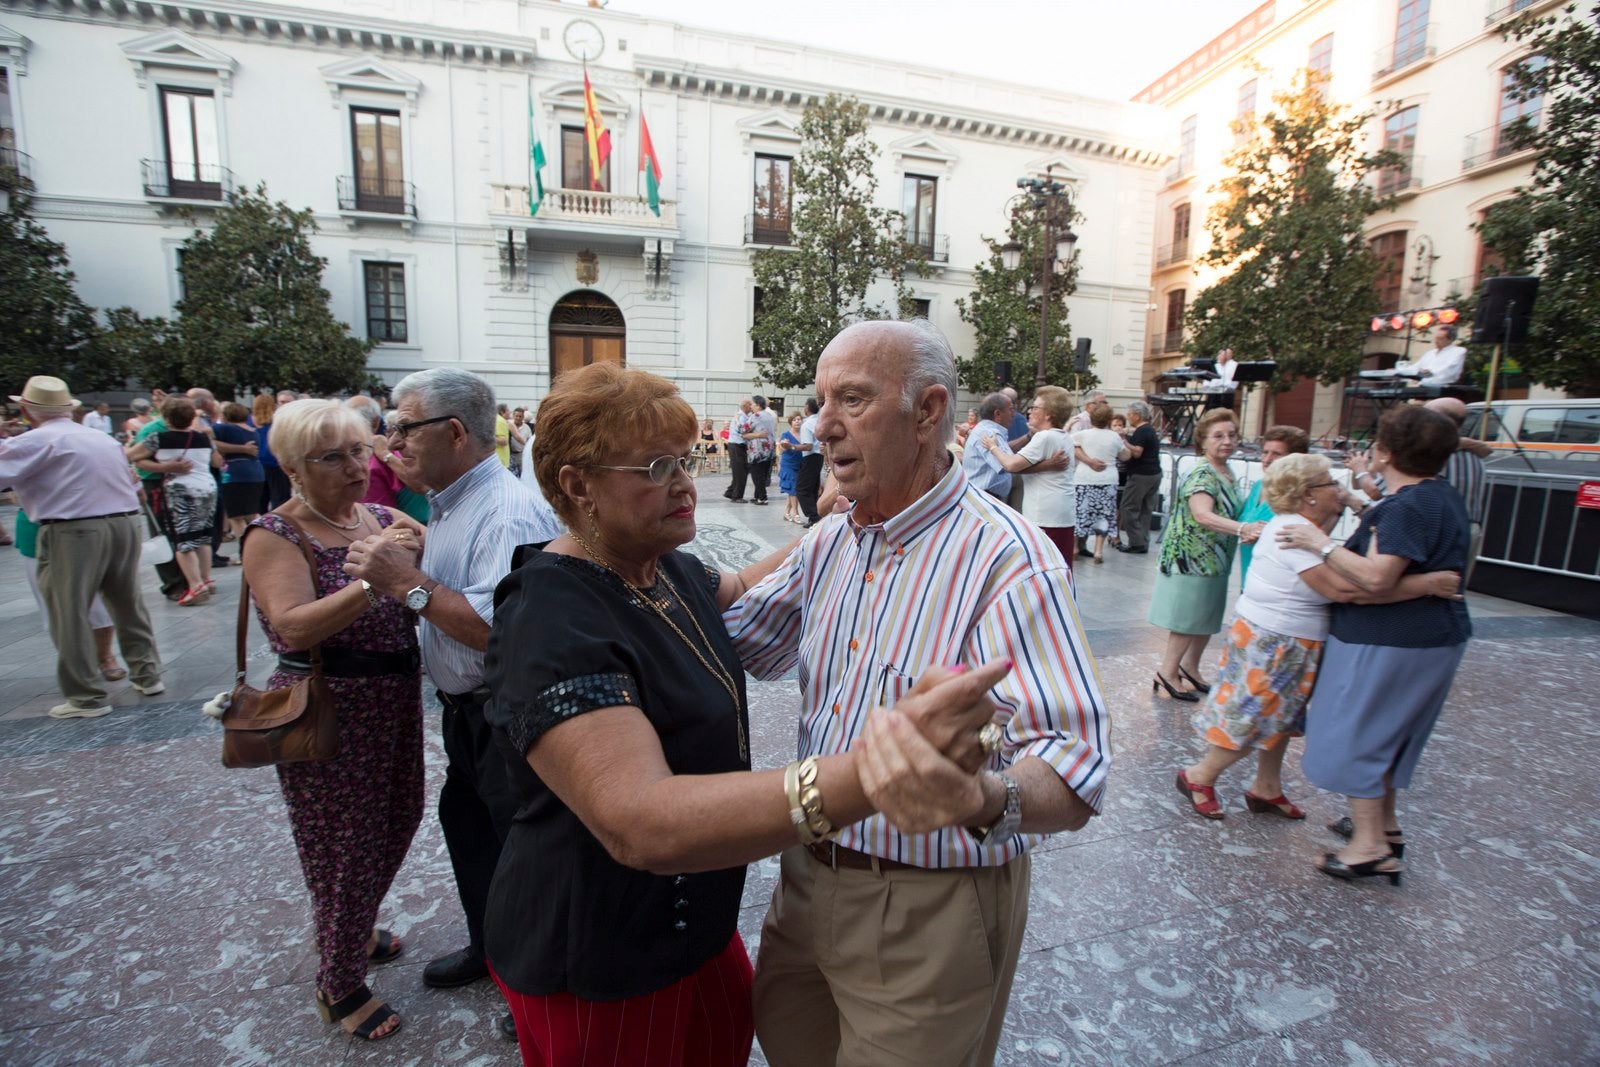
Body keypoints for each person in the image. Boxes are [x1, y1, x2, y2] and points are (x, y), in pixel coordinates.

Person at [481, 360, 1003, 1066]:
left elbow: (750, 582)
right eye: (657, 466)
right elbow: (641, 818)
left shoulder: (659, 566)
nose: (686, 482)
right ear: (578, 486)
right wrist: (873, 772)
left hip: (696, 933)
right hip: (604, 956)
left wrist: (853, 525)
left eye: (687, 457)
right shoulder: (551, 615)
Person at [725, 320, 1112, 1067]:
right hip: (806, 881)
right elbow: (751, 636)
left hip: (930, 908)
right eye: (819, 400)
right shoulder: (835, 538)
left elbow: (1075, 766)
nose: (821, 424)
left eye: (853, 400)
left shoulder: (1009, 558)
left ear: (928, 410)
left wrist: (978, 798)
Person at [342, 368, 561, 1041]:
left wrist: (406, 584)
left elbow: (503, 630)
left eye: (403, 427)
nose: (389, 442)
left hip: (504, 710)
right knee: (472, 832)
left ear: (456, 432)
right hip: (466, 710)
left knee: (522, 853)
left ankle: (536, 989)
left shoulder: (506, 509)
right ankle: (492, 952)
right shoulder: (446, 501)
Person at [242, 400, 425, 1042]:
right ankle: (339, 981)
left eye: (358, 450)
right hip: (329, 706)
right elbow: (291, 623)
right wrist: (379, 583)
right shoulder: (277, 532)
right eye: (332, 457)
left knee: (397, 816)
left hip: (393, 700)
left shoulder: (375, 517)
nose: (354, 466)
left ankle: (353, 924)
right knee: (341, 844)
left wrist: (407, 560)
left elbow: (416, 542)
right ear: (292, 466)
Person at [1176, 453, 1461, 821]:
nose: (1337, 488)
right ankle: (1199, 776)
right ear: (1308, 494)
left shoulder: (1303, 527)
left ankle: (1266, 787)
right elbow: (1345, 590)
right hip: (1275, 640)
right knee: (1256, 716)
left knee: (1283, 717)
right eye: (1330, 483)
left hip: (1290, 638)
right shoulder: (1292, 533)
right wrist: (1426, 585)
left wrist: (1356, 503)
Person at [1277, 406, 1472, 885]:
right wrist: (1368, 501)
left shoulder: (1408, 506)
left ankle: (1370, 847)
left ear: (1384, 452)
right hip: (1427, 638)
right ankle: (1385, 828)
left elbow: (1377, 578)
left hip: (1388, 640)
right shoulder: (1437, 495)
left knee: (1358, 735)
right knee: (1386, 735)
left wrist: (1316, 542)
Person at [0, 375, 163, 718]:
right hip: (123, 523)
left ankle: (86, 697)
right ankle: (147, 675)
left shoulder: (35, 440)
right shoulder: (99, 438)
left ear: (27, 409)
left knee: (68, 611)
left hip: (73, 529)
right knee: (128, 602)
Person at [1148, 407, 1264, 701]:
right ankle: (1167, 673)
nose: (1227, 440)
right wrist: (1243, 528)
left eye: (1232, 435)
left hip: (1216, 558)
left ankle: (1190, 669)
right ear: (1203, 440)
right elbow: (1202, 515)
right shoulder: (1202, 471)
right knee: (1188, 620)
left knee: (1206, 618)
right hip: (1192, 559)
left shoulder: (1225, 470)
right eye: (1218, 436)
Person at [127, 397, 222, 606]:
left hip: (181, 491)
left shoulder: (158, 438)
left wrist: (165, 466)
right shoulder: (203, 438)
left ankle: (196, 585)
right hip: (207, 488)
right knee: (204, 536)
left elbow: (131, 455)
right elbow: (218, 461)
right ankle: (207, 579)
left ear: (166, 417)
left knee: (184, 539)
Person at [979, 385, 1078, 569]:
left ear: (1049, 414)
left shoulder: (1045, 437)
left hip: (1045, 514)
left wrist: (993, 447)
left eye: (1036, 407)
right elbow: (1021, 467)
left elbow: (1010, 464)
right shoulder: (1064, 436)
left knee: (1046, 566)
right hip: (1061, 513)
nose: (1030, 411)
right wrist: (1048, 465)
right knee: (1061, 567)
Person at [1236, 425, 1310, 584]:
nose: (1267, 459)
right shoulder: (1258, 486)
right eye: (1265, 452)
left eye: (1276, 454)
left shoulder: (1297, 495)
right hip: (1248, 575)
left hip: (1276, 579)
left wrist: (1264, 533)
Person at [1426, 397, 1489, 584]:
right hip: (1469, 529)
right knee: (1455, 591)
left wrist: (1361, 472)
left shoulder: (1430, 453)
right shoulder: (1476, 455)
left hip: (1439, 529)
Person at [1072, 400, 1130, 565]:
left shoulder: (1083, 435)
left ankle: (1075, 547)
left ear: (1091, 418)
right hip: (1108, 479)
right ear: (1109, 420)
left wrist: (1088, 460)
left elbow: (1072, 445)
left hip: (1083, 479)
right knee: (1104, 515)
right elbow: (1125, 456)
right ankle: (1098, 551)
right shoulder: (1114, 437)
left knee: (1079, 513)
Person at [214, 402, 265, 543]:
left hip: (234, 474)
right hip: (256, 472)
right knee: (252, 513)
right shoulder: (253, 431)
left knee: (236, 517)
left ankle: (246, 548)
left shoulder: (224, 429)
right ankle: (264, 540)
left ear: (225, 415)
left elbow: (208, 439)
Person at [1117, 400, 1162, 554]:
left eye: (1129, 414)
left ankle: (1136, 542)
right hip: (1154, 473)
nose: (1128, 417)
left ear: (1137, 415)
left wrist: (1124, 442)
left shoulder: (1142, 431)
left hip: (1141, 474)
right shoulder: (1150, 430)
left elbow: (1137, 452)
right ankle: (1143, 542)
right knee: (1145, 510)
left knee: (1128, 507)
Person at [962, 392, 1016, 500]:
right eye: (1010, 409)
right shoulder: (989, 433)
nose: (1013, 414)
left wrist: (1028, 437)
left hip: (982, 496)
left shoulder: (985, 429)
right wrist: (1046, 465)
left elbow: (1004, 452)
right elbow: (1009, 464)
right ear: (998, 414)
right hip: (984, 498)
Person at [255, 393, 294, 512]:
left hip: (259, 462)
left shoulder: (249, 421)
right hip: (275, 461)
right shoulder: (280, 420)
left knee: (262, 498)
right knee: (280, 497)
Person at [1395, 325, 1466, 386]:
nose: (1436, 341)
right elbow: (1415, 367)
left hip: (1443, 387)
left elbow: (1450, 370)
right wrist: (1398, 371)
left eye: (1440, 338)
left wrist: (1429, 372)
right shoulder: (1430, 353)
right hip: (1424, 386)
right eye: (1436, 338)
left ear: (1450, 339)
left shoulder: (1459, 351)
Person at [742, 395, 776, 505]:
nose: (751, 406)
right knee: (763, 473)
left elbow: (742, 430)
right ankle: (757, 496)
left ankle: (762, 497)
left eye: (752, 404)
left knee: (757, 475)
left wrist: (754, 435)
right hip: (768, 449)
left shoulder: (756, 416)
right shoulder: (770, 416)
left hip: (757, 450)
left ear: (757, 405)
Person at [795, 398, 823, 526]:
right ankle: (814, 515)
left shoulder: (806, 425)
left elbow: (808, 446)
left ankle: (813, 515)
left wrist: (791, 446)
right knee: (813, 488)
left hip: (810, 457)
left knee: (802, 488)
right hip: (819, 456)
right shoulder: (820, 420)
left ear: (807, 408)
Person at [778, 411, 805, 523]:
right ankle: (796, 514)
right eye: (794, 419)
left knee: (792, 490)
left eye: (799, 419)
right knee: (794, 490)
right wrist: (784, 445)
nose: (797, 421)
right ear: (790, 422)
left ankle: (786, 513)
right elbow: (781, 449)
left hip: (800, 465)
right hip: (788, 465)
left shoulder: (804, 434)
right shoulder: (786, 435)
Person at [723, 398, 751, 502]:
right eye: (750, 404)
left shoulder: (743, 416)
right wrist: (755, 435)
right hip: (737, 445)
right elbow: (742, 431)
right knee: (741, 471)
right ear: (745, 406)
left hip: (737, 445)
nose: (752, 407)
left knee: (740, 470)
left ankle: (731, 492)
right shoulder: (741, 417)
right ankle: (737, 496)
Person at [507, 407, 529, 477]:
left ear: (523, 417)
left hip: (521, 455)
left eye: (520, 416)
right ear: (513, 416)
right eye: (516, 416)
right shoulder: (508, 425)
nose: (518, 418)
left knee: (522, 475)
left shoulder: (527, 428)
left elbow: (529, 440)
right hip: (510, 455)